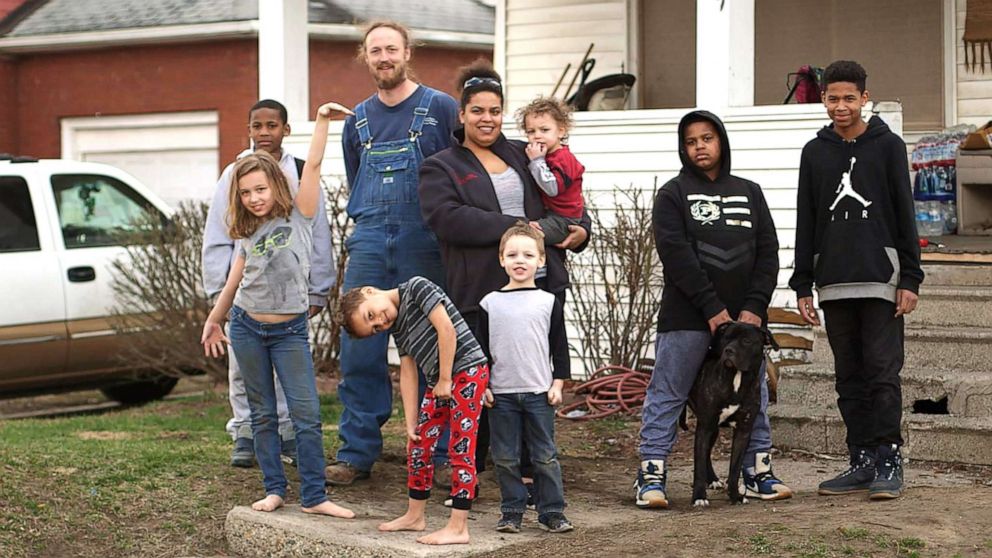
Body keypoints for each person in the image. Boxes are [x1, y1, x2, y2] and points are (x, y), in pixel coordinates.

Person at [418, 60, 591, 497]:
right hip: (480, 291)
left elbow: (563, 195)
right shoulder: (442, 166)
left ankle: (534, 467)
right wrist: (516, 227)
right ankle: (469, 471)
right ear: (461, 115)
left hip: (538, 286)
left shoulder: (523, 151)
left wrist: (581, 228)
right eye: (477, 110)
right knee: (480, 383)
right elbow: (447, 219)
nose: (486, 118)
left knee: (532, 377)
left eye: (494, 110)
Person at [200, 101, 355, 519]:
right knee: (262, 414)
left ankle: (315, 495)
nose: (253, 198)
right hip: (247, 327)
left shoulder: (300, 214)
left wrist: (321, 122)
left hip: (289, 332)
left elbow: (316, 165)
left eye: (260, 190)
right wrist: (215, 319)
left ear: (278, 185)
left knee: (305, 414)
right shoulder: (246, 228)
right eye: (246, 192)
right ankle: (274, 489)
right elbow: (237, 276)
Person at [634, 110, 792, 509]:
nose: (699, 146)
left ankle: (758, 471)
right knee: (668, 392)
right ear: (683, 148)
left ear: (720, 141)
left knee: (753, 395)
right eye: (690, 141)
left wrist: (754, 308)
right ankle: (651, 474)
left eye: (707, 138)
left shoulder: (750, 191)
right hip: (687, 316)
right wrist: (711, 309)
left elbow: (768, 254)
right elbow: (676, 255)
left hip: (745, 322)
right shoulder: (672, 194)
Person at [329, 20, 459, 486]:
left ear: (407, 52)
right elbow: (354, 177)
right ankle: (356, 453)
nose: (384, 58)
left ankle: (441, 453)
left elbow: (460, 171)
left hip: (422, 239)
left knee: (430, 346)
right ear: (366, 58)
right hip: (367, 240)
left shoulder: (441, 108)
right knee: (359, 344)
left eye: (391, 49)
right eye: (375, 51)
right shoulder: (356, 120)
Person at [789, 60, 923, 500]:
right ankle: (861, 460)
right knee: (848, 376)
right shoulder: (815, 152)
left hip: (881, 279)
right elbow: (806, 218)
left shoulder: (888, 146)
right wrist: (803, 283)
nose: (840, 106)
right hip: (834, 281)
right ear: (823, 99)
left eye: (849, 98)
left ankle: (889, 459)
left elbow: (905, 214)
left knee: (882, 373)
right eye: (832, 98)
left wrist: (910, 278)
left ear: (865, 98)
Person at [336, 277, 489, 545]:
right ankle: (415, 516)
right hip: (438, 382)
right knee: (418, 447)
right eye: (373, 328)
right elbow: (408, 373)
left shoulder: (418, 288)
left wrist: (445, 379)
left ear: (369, 292)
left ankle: (458, 527)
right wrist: (411, 424)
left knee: (460, 448)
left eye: (371, 315)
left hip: (467, 371)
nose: (379, 323)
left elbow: (446, 330)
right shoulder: (397, 327)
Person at [478, 223, 573, 534]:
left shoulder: (547, 302)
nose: (520, 260)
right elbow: (480, 351)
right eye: (512, 254)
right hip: (501, 394)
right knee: (505, 457)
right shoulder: (490, 302)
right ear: (501, 259)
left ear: (541, 261)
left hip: (538, 393)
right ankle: (512, 512)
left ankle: (552, 512)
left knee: (545, 455)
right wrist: (484, 386)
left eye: (528, 254)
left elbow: (559, 347)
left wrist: (558, 383)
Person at [517, 96, 586, 245]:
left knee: (526, 236)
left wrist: (536, 161)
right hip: (550, 215)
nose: (537, 136)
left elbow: (552, 188)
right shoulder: (546, 155)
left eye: (544, 130)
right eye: (531, 131)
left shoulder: (564, 158)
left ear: (560, 131)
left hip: (564, 219)